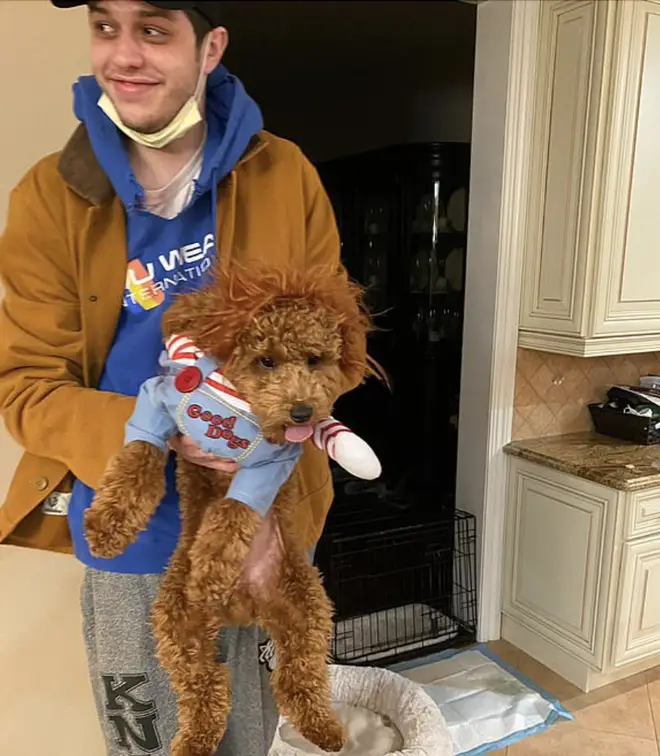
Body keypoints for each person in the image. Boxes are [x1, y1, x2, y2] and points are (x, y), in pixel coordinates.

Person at [0, 2, 361, 754]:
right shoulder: (48, 195)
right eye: (106, 27)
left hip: (267, 513)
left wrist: (268, 433)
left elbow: (334, 342)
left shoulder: (284, 173)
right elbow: (26, 387)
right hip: (134, 538)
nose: (123, 54)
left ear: (210, 48)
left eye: (155, 30)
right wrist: (171, 435)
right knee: (154, 743)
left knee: (251, 733)